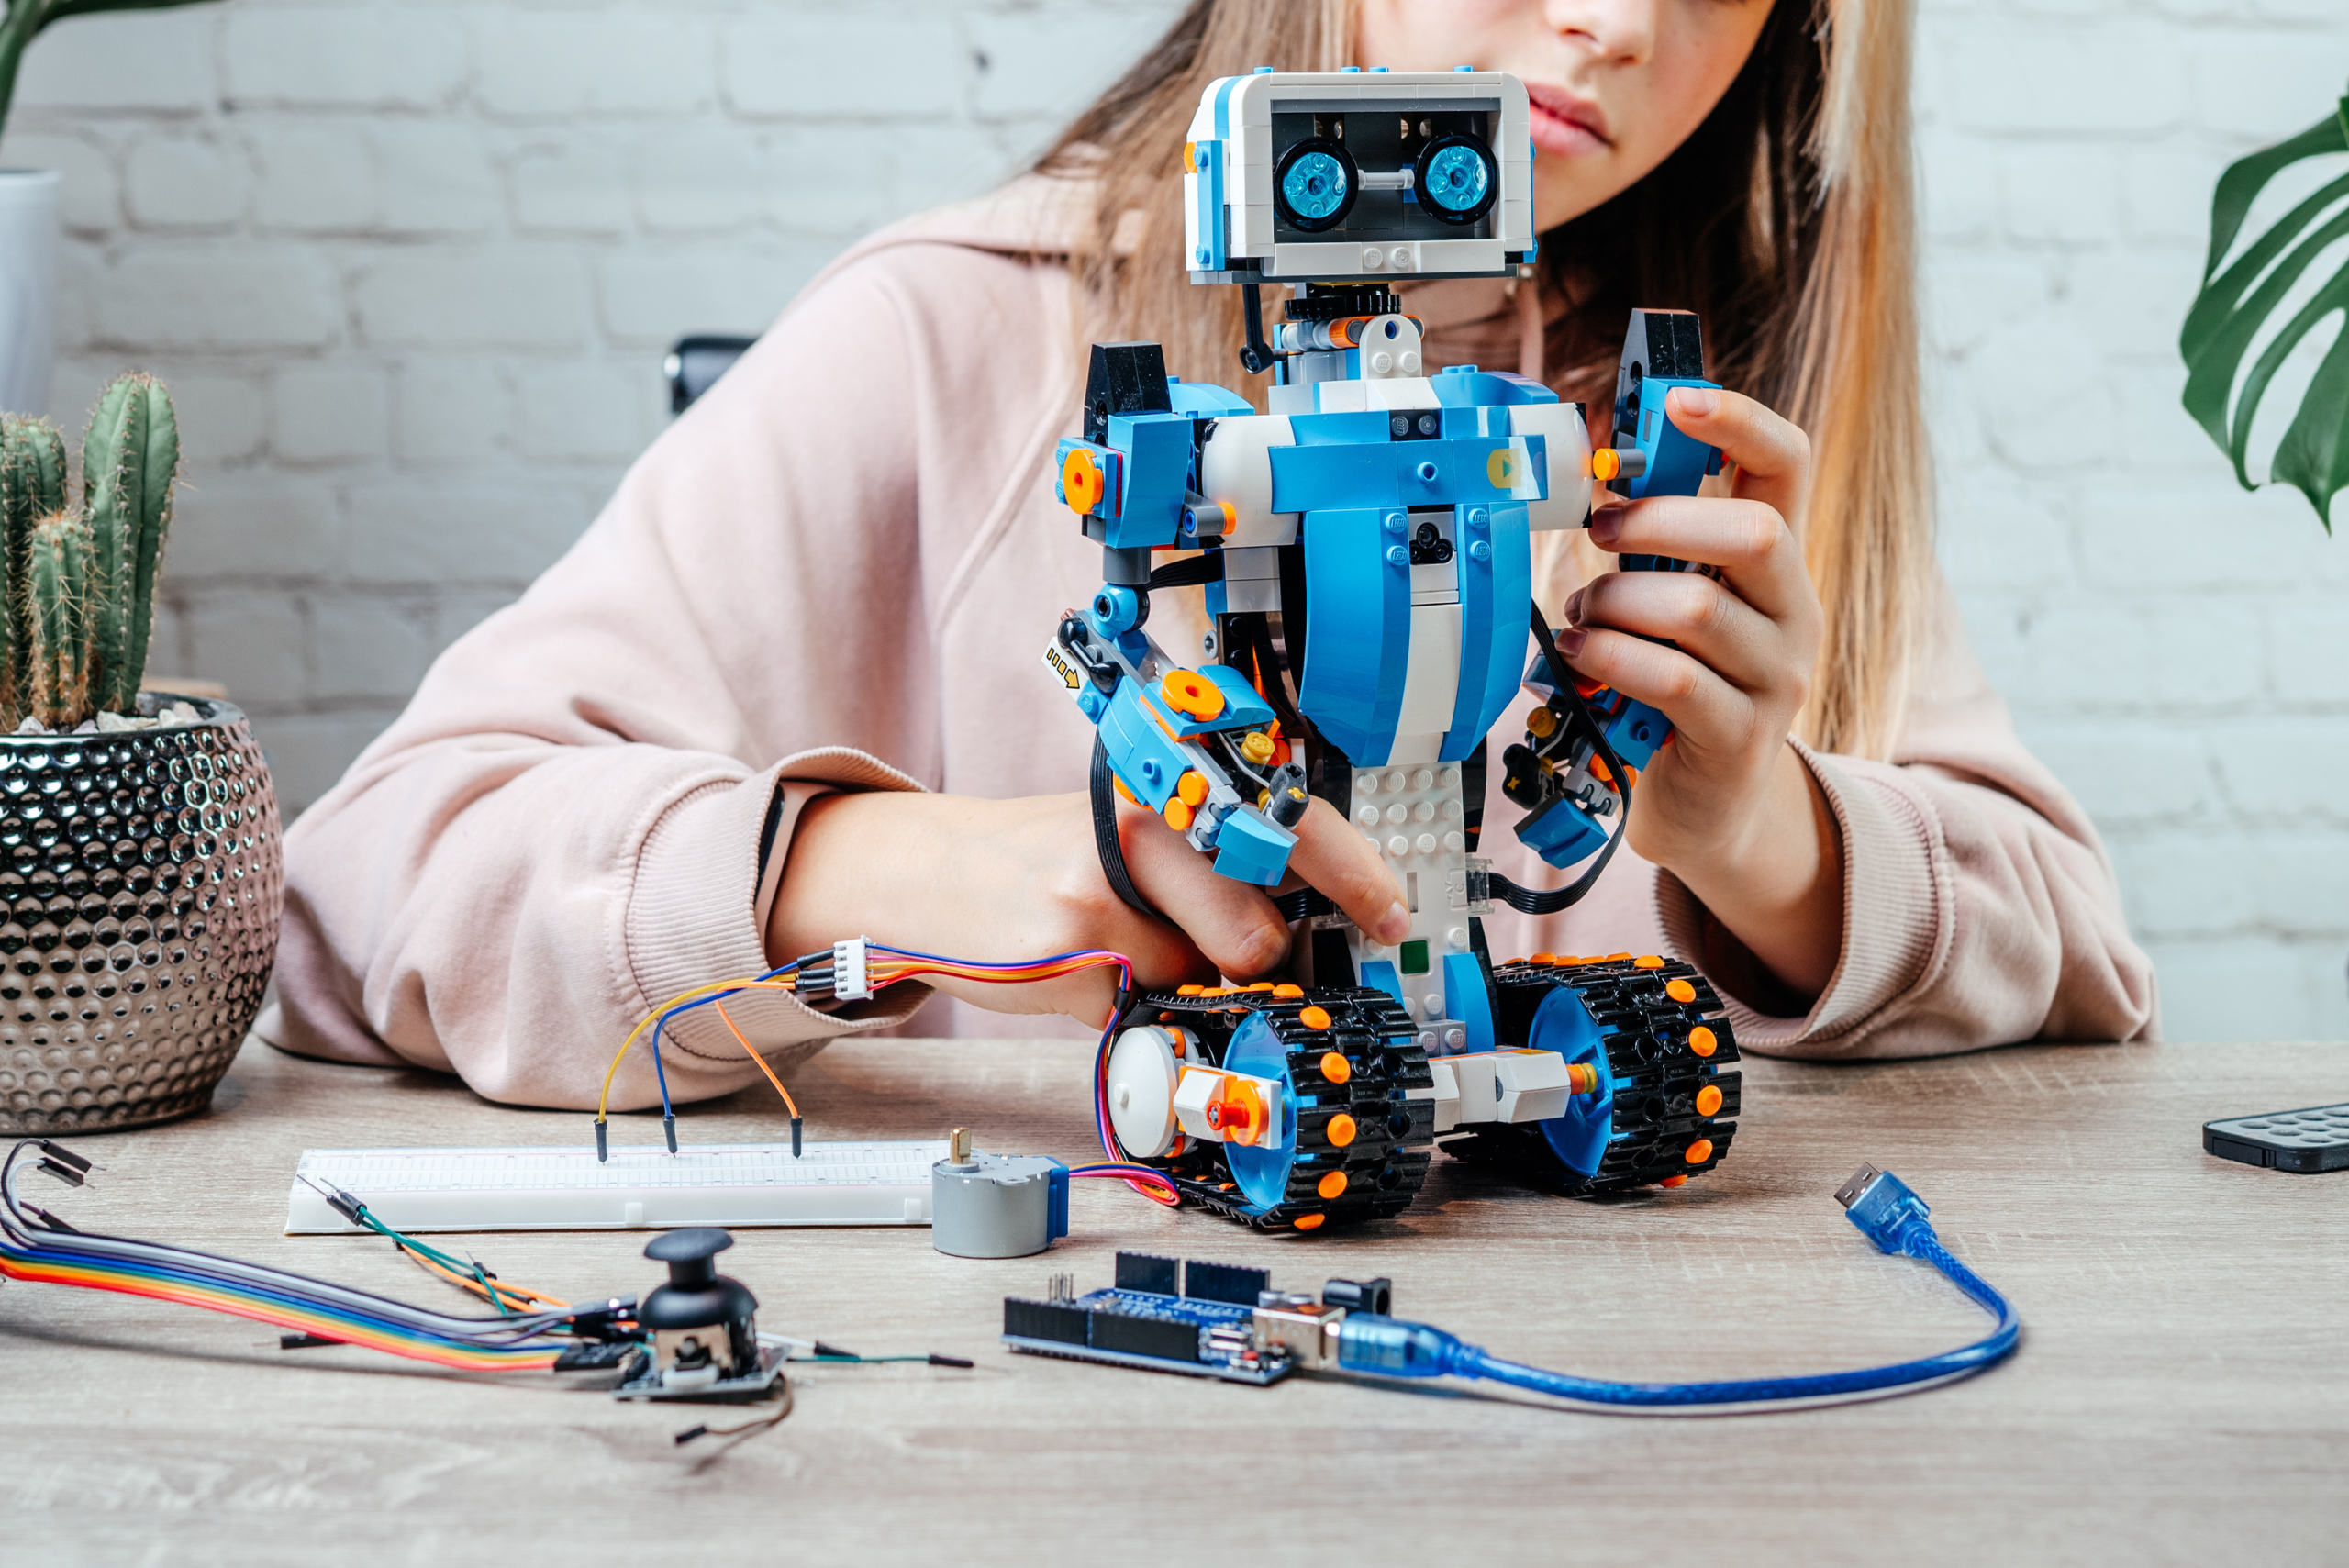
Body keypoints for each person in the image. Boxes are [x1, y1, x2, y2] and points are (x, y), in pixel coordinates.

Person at [259, 0, 2157, 1112]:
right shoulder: (954, 339)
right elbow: (362, 892)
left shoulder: (1693, 439)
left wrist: (1765, 838)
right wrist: (951, 865)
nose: (1619, 23)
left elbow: (2073, 947)